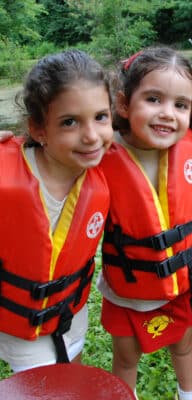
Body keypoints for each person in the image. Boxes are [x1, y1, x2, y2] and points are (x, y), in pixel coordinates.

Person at [97, 47, 192, 400]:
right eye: (153, 99)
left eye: (180, 105)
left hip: (182, 284)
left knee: (182, 348)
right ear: (122, 103)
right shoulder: (98, 153)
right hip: (127, 291)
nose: (167, 114)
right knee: (125, 357)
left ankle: (187, 394)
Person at [0, 50, 113, 373]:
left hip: (69, 313)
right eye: (69, 122)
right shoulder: (5, 174)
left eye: (101, 117)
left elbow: (162, 132)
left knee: (68, 377)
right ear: (38, 129)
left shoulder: (105, 163)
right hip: (15, 324)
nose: (91, 136)